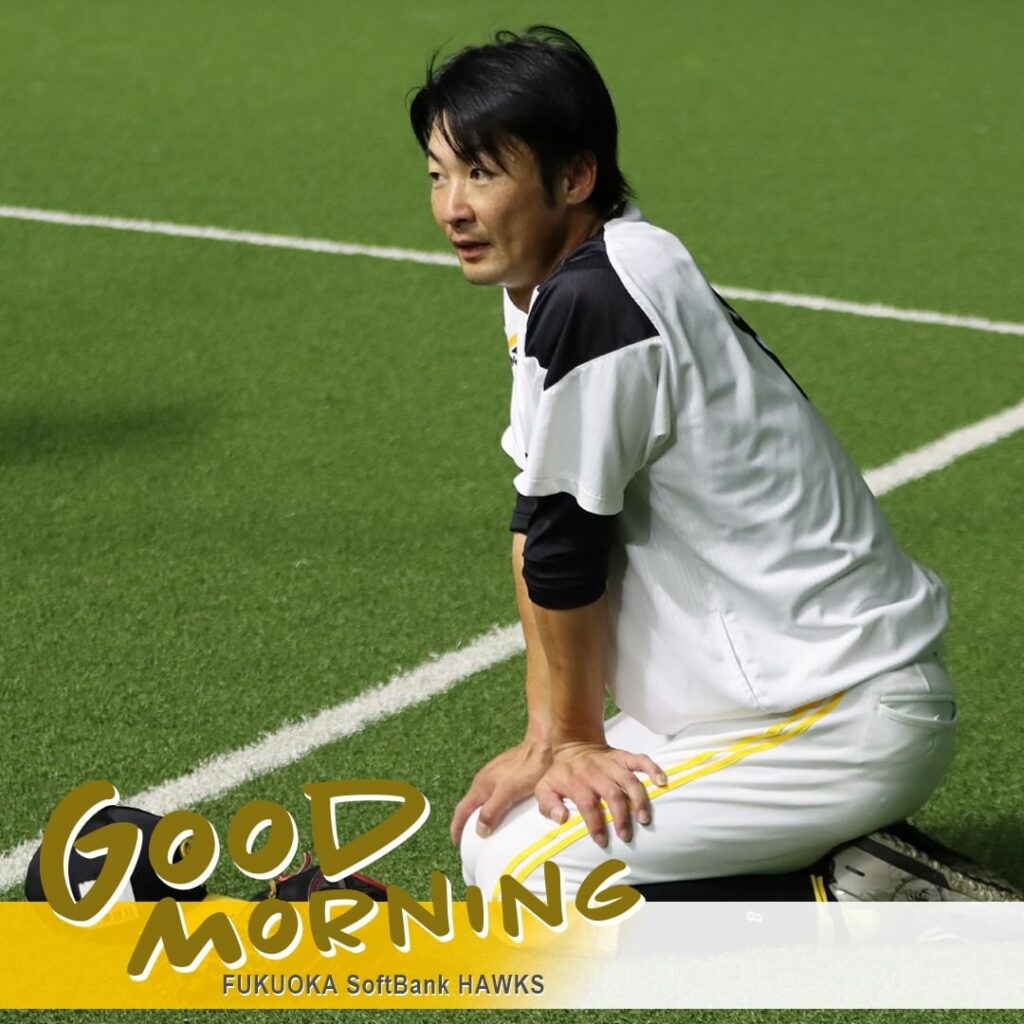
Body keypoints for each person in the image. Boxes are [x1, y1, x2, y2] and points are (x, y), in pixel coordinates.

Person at [408, 26, 994, 903]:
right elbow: (537, 521)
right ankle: (853, 864)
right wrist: (548, 738)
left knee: (521, 876)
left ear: (575, 177)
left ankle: (853, 902)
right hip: (761, 703)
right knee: (500, 832)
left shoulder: (598, 296)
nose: (453, 207)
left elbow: (566, 544)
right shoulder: (568, 278)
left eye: (483, 173)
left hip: (831, 711)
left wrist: (576, 740)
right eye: (438, 175)